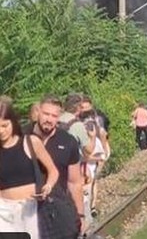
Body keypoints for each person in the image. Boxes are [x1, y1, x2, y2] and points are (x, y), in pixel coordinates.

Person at [0, 97, 59, 238]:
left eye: (4, 125)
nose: (1, 131)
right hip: (4, 211)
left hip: (30, 209)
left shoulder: (30, 142)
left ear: (13, 122)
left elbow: (53, 171)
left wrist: (48, 186)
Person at [30, 95, 85, 237]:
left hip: (56, 210)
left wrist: (80, 215)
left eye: (54, 116)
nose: (49, 119)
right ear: (38, 113)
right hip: (26, 211)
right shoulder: (21, 136)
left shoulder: (68, 142)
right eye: (46, 114)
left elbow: (74, 182)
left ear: (58, 117)